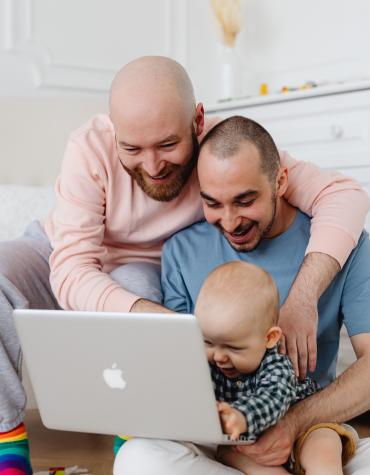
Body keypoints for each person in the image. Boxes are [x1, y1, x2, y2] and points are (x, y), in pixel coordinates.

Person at [0, 57, 369, 475]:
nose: (153, 165)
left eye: (167, 146)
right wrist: (162, 323)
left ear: (196, 122)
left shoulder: (229, 149)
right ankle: (11, 438)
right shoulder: (92, 149)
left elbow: (344, 194)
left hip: (140, 270)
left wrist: (302, 298)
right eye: (132, 148)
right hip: (62, 251)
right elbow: (69, 267)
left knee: (137, 288)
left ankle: (134, 432)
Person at [113, 115, 370, 474]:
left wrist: (294, 422)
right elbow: (182, 368)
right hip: (224, 443)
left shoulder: (340, 243)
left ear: (280, 181)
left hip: (311, 424)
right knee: (137, 459)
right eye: (213, 203)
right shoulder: (181, 251)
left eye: (245, 201)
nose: (230, 222)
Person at [195, 260, 357, 475]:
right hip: (252, 442)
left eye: (233, 348)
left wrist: (242, 416)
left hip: (305, 429)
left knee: (323, 446)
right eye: (207, 342)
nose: (219, 357)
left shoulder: (277, 364)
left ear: (270, 338)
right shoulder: (210, 363)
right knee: (228, 453)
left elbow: (273, 399)